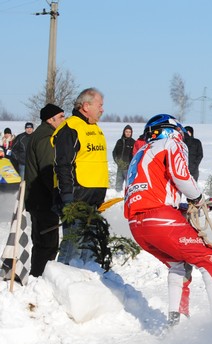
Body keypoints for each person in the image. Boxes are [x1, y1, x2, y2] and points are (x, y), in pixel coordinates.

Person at [124, 114, 212, 327]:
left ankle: (176, 325)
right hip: (159, 218)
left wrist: (203, 204)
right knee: (211, 260)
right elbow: (181, 176)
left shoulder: (140, 154)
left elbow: (156, 192)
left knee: (178, 265)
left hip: (137, 225)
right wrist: (198, 198)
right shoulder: (170, 143)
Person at [52, 87, 110, 264]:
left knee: (89, 250)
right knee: (72, 248)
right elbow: (63, 164)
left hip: (94, 200)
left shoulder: (96, 129)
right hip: (76, 198)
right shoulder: (70, 128)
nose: (102, 109)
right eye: (99, 105)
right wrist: (67, 197)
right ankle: (60, 283)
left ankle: (86, 285)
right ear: (86, 106)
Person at [23, 104, 65, 276]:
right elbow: (48, 170)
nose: (64, 119)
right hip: (43, 200)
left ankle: (38, 278)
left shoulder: (44, 135)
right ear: (51, 119)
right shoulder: (46, 138)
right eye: (61, 116)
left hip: (40, 199)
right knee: (46, 244)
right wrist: (59, 193)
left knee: (44, 242)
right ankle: (38, 279)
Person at [112, 124, 135, 191]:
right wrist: (118, 161)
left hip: (128, 168)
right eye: (126, 131)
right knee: (118, 185)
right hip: (120, 166)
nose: (128, 133)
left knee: (129, 185)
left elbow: (135, 155)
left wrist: (130, 164)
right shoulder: (119, 141)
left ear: (131, 133)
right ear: (124, 132)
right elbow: (114, 152)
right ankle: (118, 197)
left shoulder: (133, 142)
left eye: (129, 132)